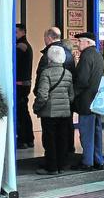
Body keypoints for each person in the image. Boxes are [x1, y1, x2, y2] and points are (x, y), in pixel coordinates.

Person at [33, 46, 74, 175]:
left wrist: (37, 107)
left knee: (49, 140)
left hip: (49, 112)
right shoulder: (68, 73)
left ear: (49, 58)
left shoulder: (46, 73)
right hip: (64, 112)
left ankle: (51, 167)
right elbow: (71, 95)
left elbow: (43, 94)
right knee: (62, 138)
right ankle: (61, 165)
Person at [71, 32, 104, 171]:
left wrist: (73, 94)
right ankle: (98, 160)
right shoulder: (98, 55)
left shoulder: (86, 56)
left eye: (79, 41)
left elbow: (82, 80)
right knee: (96, 131)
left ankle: (87, 162)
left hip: (86, 101)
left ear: (87, 42)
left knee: (86, 133)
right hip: (96, 99)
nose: (78, 44)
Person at [15, 23, 35, 149]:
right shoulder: (26, 46)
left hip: (20, 84)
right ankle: (29, 138)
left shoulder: (21, 46)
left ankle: (23, 139)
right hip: (25, 84)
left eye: (16, 32)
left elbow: (15, 64)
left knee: (21, 113)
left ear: (23, 32)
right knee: (24, 112)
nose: (14, 35)